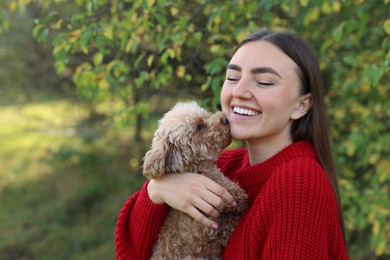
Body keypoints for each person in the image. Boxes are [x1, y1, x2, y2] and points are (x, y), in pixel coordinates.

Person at [115, 29, 349, 259]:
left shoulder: (299, 183)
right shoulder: (225, 164)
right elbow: (133, 253)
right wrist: (157, 190)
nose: (239, 91)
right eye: (233, 78)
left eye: (264, 82)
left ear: (301, 105)